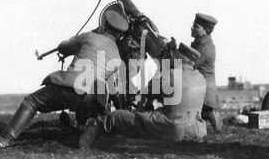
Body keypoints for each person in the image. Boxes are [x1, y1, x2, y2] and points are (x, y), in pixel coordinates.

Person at [0, 10, 129, 149]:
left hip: (71, 85)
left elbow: (63, 47)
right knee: (94, 109)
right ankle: (88, 128)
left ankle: (6, 138)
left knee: (32, 101)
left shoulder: (90, 36)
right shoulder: (117, 56)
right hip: (92, 96)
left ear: (103, 25)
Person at [78, 43, 207, 149]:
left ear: (179, 58)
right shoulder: (201, 78)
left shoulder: (172, 74)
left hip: (174, 130)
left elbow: (149, 91)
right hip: (198, 132)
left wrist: (160, 68)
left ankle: (94, 126)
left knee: (116, 116)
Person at [191, 13, 223, 132]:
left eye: (196, 26)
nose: (192, 28)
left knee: (208, 111)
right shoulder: (202, 43)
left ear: (206, 32)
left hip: (205, 89)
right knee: (205, 112)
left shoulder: (204, 48)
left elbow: (191, 64)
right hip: (203, 86)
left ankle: (217, 127)